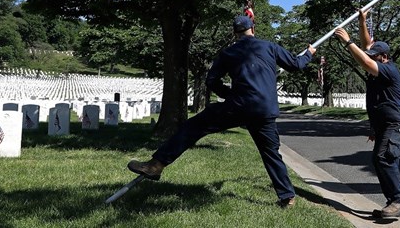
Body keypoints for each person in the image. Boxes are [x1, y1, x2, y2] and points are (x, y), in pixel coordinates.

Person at [127, 15, 316, 208]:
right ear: (253, 28)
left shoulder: (228, 52)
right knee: (271, 153)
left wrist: (230, 94)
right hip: (265, 109)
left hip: (238, 106)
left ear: (235, 33)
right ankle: (287, 197)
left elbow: (211, 81)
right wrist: (309, 53)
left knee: (194, 126)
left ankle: (155, 166)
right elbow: (296, 65)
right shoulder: (270, 47)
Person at [333, 9, 400, 218]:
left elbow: (366, 60)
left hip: (397, 123)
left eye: (375, 56)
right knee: (379, 160)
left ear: (384, 57)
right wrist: (362, 21)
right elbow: (367, 45)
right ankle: (393, 201)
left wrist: (348, 42)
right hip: (384, 124)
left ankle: (399, 199)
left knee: (384, 158)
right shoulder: (377, 61)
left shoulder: (388, 69)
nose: (370, 58)